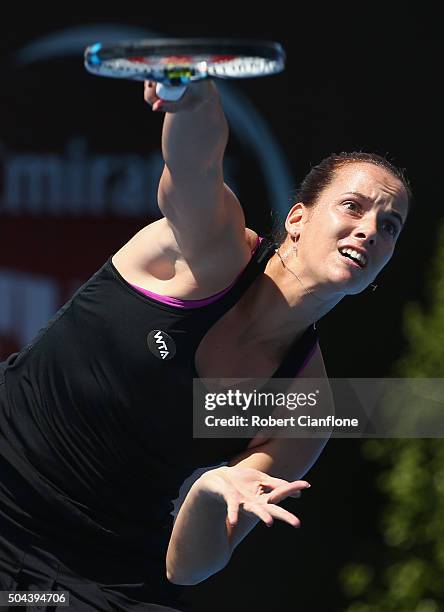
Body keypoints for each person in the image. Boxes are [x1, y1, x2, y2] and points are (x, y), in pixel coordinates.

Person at [0, 79, 411, 611]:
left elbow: (189, 566)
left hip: (97, 578)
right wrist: (193, 98)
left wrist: (211, 491)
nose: (369, 229)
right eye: (353, 206)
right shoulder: (210, 254)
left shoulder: (305, 405)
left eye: (390, 225)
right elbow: (192, 170)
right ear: (297, 218)